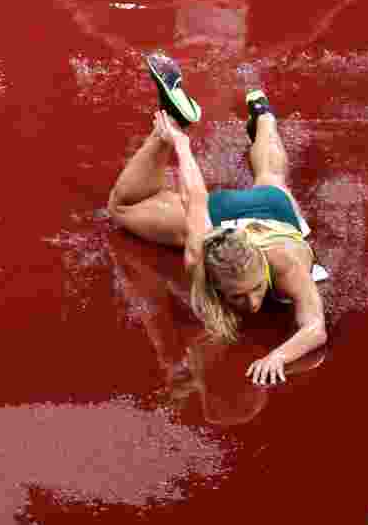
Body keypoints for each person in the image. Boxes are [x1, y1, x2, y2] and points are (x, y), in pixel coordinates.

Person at [106, 55, 327, 385]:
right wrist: (178, 144)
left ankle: (263, 116)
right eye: (237, 297)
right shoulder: (202, 255)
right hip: (230, 215)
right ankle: (179, 127)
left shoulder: (286, 265)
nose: (252, 304)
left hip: (270, 212)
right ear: (213, 280)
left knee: (273, 176)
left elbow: (315, 330)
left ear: (262, 264)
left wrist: (278, 356)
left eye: (254, 290)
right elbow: (193, 198)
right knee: (121, 208)